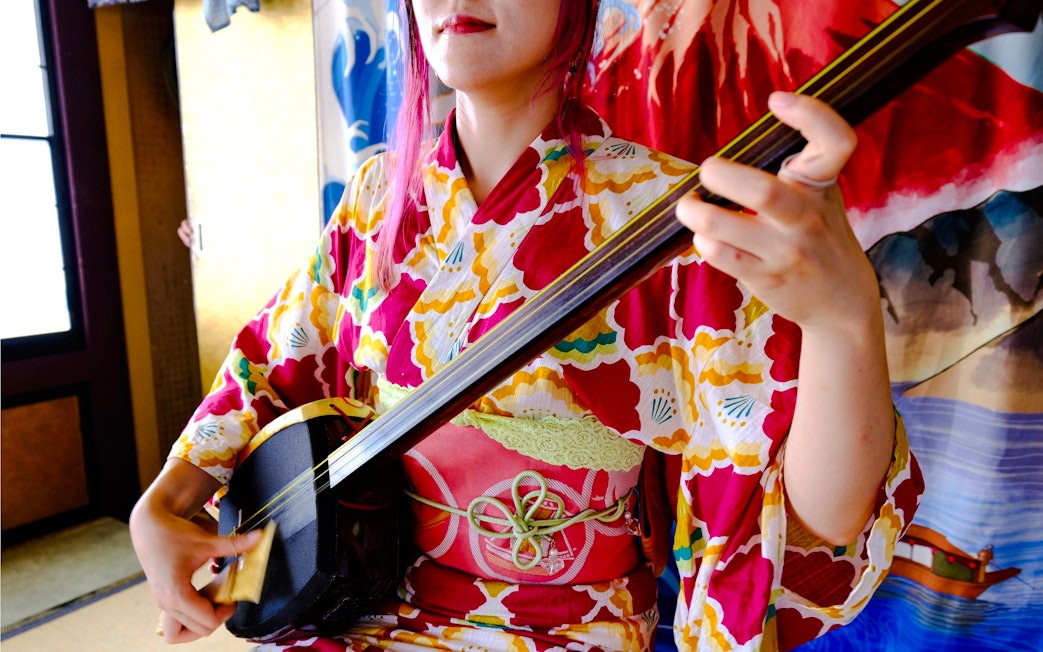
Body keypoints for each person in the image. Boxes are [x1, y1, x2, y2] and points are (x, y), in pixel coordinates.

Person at [129, 1, 922, 650]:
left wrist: (843, 320)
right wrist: (163, 502)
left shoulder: (672, 216)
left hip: (562, 630)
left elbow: (807, 519)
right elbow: (270, 366)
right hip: (356, 605)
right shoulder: (378, 197)